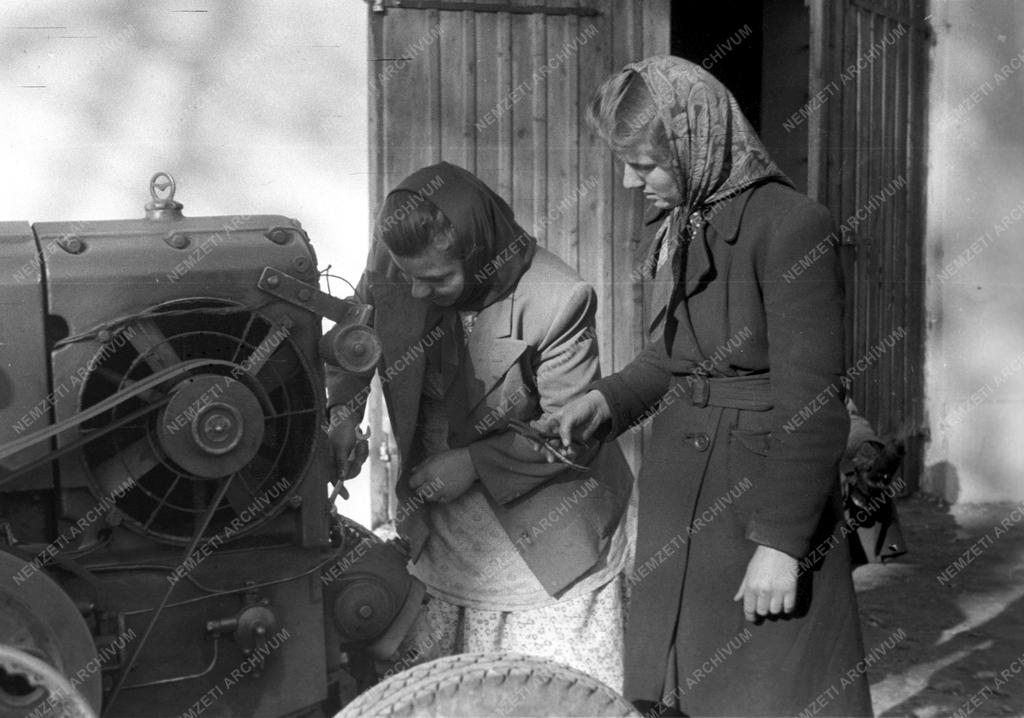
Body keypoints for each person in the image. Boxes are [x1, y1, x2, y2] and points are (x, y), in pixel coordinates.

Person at [535, 56, 874, 716]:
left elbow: (814, 406)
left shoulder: (790, 226)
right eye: (626, 163)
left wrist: (780, 544)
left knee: (767, 693)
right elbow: (678, 358)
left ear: (697, 143)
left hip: (755, 507)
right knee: (679, 690)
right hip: (681, 501)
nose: (633, 182)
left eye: (645, 163)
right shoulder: (692, 219)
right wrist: (603, 401)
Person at [325, 161, 633, 690]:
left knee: (539, 697)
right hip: (442, 528)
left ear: (476, 250)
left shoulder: (559, 298)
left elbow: (572, 431)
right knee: (441, 695)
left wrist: (473, 462)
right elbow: (357, 345)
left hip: (545, 537)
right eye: (410, 278)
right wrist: (341, 419)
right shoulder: (396, 264)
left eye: (438, 279)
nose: (418, 293)